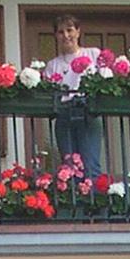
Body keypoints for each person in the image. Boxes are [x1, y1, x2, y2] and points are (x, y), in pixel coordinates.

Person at [44, 14, 104, 177]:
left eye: (69, 30)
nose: (66, 35)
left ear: (78, 32)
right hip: (64, 115)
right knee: (69, 167)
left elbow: (107, 80)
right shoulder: (53, 65)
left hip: (88, 113)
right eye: (60, 32)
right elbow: (49, 93)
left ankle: (93, 201)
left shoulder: (93, 54)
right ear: (56, 36)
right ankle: (74, 201)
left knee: (90, 165)